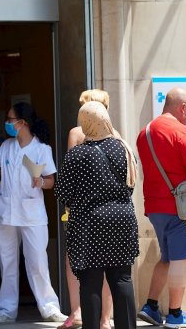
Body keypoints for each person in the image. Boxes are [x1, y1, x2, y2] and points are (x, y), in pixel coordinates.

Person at [0, 102, 66, 324]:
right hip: (5, 212)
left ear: (22, 123)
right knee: (7, 262)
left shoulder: (41, 149)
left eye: (10, 119)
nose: (7, 123)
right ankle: (6, 310)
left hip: (32, 213)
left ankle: (50, 308)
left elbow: (51, 181)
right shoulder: (6, 146)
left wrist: (41, 180)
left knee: (37, 261)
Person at [56, 101, 139, 329]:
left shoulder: (78, 154)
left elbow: (63, 192)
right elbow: (131, 184)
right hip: (122, 219)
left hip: (89, 223)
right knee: (122, 278)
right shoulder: (124, 148)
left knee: (90, 282)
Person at [135, 87, 186, 328]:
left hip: (155, 206)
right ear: (183, 108)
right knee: (179, 260)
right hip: (181, 208)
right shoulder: (182, 132)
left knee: (166, 257)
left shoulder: (144, 132)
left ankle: (151, 306)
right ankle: (176, 313)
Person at [61, 89, 115, 329]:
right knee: (111, 264)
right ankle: (106, 319)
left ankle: (78, 312)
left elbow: (69, 173)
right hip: (112, 210)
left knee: (76, 260)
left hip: (82, 210)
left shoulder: (76, 133)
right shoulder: (117, 135)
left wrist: (68, 206)